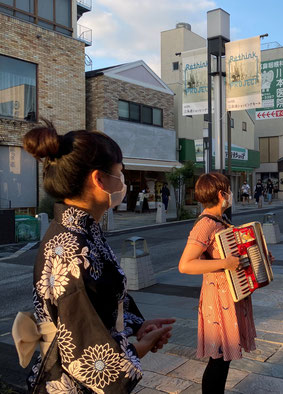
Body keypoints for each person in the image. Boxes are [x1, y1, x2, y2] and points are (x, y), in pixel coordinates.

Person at [16, 120, 175, 392]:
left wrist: (137, 326)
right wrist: (138, 349)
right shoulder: (72, 249)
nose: (122, 182)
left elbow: (103, 303)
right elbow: (87, 355)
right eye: (119, 173)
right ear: (99, 179)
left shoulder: (82, 231)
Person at [179, 173, 267, 393]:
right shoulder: (206, 224)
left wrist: (259, 259)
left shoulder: (222, 221)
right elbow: (186, 265)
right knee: (218, 359)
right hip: (217, 300)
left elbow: (235, 256)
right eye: (228, 190)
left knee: (223, 359)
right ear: (221, 194)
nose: (230, 195)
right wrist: (225, 263)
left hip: (230, 296)